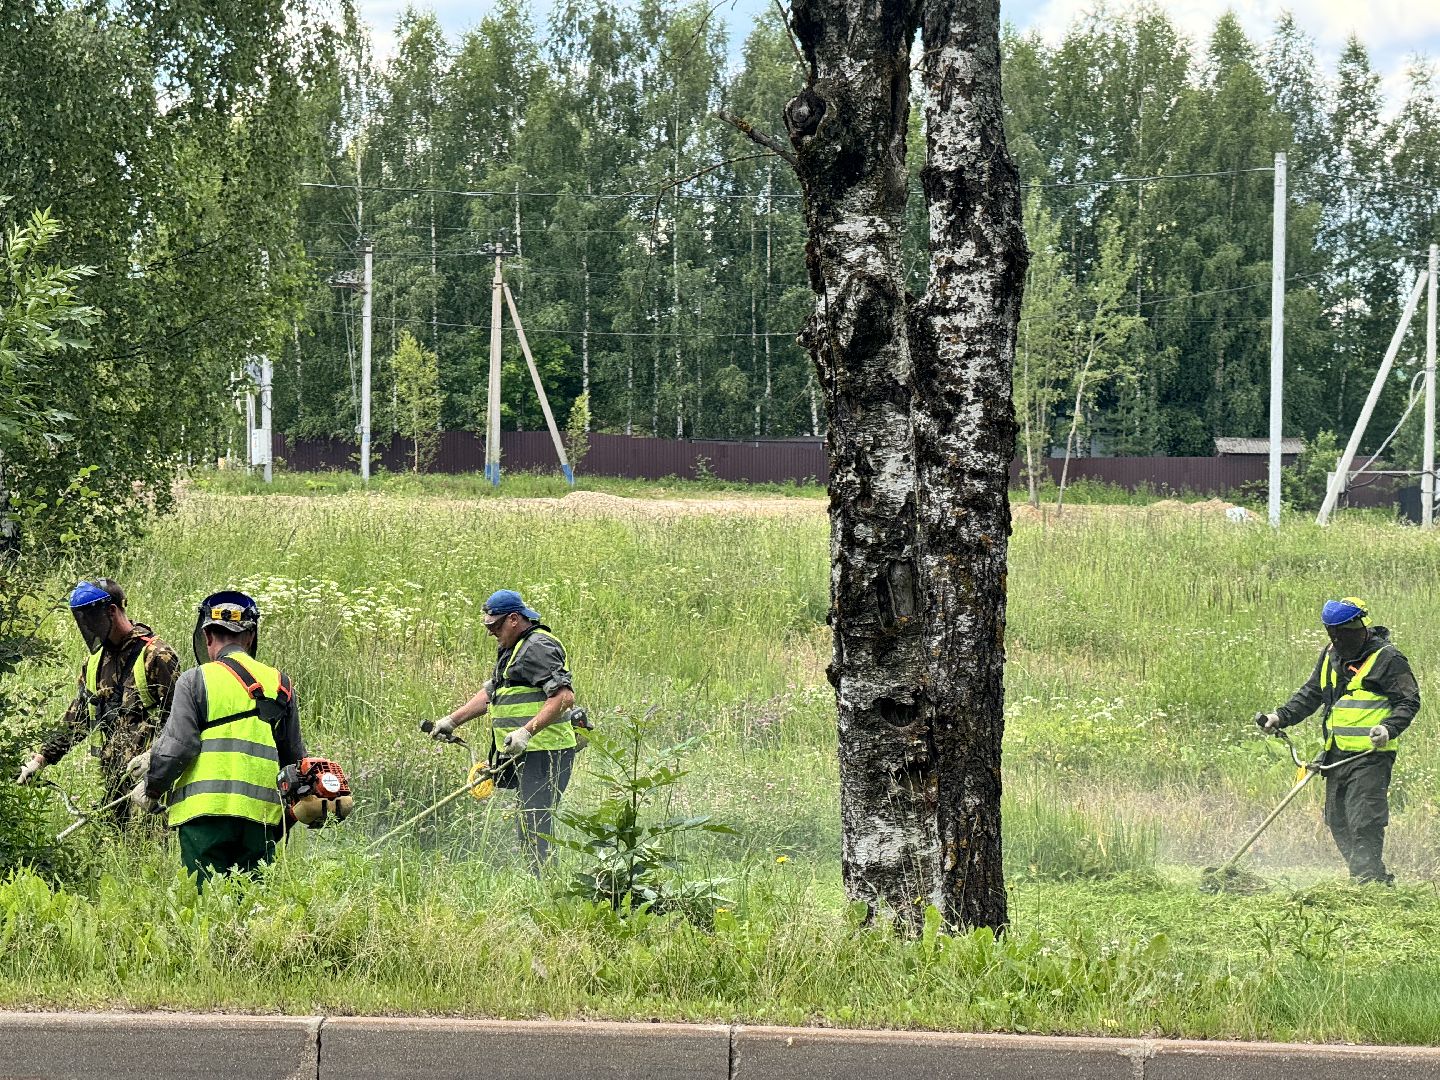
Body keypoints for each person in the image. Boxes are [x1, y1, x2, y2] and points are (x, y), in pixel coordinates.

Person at [133, 590, 304, 884]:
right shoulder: (280, 684)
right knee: (252, 906)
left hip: (205, 815)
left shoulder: (195, 680)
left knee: (205, 908)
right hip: (261, 818)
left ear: (208, 635)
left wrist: (151, 788)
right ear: (250, 637)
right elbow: (295, 758)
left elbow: (180, 746)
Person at [1255, 597, 1420, 885]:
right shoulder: (1331, 654)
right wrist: (1280, 716)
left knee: (1364, 819)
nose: (1337, 638)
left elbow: (1408, 701)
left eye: (1343, 631)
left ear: (1360, 626)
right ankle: (1365, 876)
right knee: (1338, 819)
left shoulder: (1388, 659)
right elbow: (1312, 693)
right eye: (1332, 632)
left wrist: (1388, 729)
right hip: (1336, 754)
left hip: (1370, 755)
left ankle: (1369, 882)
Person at [430, 589, 576, 870]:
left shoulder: (538, 647)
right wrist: (452, 720)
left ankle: (546, 885)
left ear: (513, 619)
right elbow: (493, 694)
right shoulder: (514, 648)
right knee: (528, 821)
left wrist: (526, 732)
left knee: (535, 823)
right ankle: (538, 879)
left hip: (547, 751)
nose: (490, 633)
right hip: (528, 753)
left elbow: (564, 697)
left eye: (494, 626)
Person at [14, 579, 179, 828]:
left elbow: (182, 721)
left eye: (91, 617)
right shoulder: (95, 662)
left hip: (150, 787)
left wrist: (154, 759)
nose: (87, 625)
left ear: (111, 611)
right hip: (113, 784)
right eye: (83, 618)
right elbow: (76, 719)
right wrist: (39, 760)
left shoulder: (157, 656)